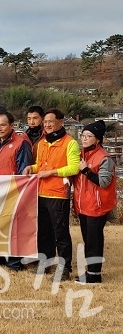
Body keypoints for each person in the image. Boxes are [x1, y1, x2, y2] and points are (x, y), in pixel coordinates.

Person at [23, 108, 80, 281]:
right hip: (41, 193)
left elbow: (73, 167)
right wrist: (31, 168)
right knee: (43, 231)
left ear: (61, 122)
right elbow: (40, 166)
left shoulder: (70, 143)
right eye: (45, 122)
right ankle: (45, 264)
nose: (47, 124)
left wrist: (52, 173)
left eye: (50, 121)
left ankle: (64, 268)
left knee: (60, 233)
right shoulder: (42, 143)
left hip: (58, 194)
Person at [0, 112, 32, 271]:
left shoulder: (21, 144)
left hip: (12, 191)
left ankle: (14, 261)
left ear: (11, 125)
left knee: (14, 227)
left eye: (3, 125)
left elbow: (24, 172)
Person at [73, 120, 116, 284]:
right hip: (83, 205)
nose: (84, 138)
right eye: (83, 135)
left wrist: (85, 170)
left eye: (88, 136)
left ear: (98, 139)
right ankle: (91, 272)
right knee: (88, 240)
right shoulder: (81, 154)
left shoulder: (104, 158)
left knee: (94, 241)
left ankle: (94, 275)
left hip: (96, 206)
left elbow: (103, 182)